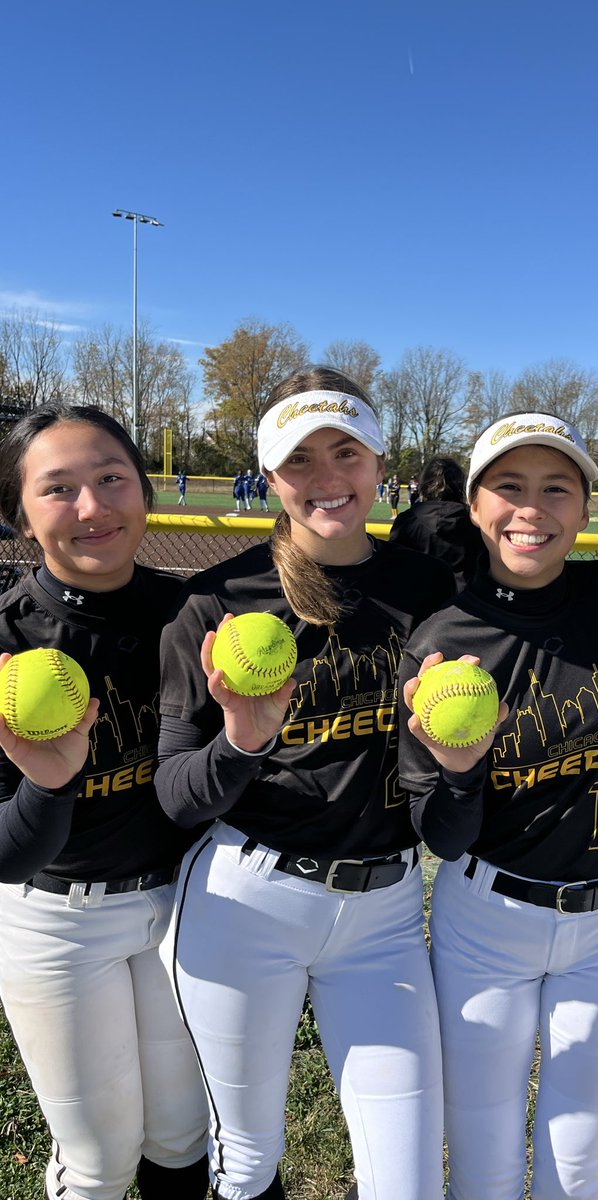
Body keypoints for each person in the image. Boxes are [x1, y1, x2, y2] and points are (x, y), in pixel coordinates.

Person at [156, 367, 455, 1200]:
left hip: (387, 910)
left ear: (379, 459)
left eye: (346, 451)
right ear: (271, 474)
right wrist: (242, 743)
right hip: (247, 903)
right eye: (300, 460)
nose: (327, 477)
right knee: (246, 1161)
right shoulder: (216, 599)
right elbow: (175, 793)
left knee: (406, 1178)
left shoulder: (428, 590)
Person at [398, 413, 598, 1200]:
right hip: (489, 922)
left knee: (578, 1155)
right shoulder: (441, 642)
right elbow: (442, 837)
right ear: (475, 504)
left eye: (556, 488)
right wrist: (458, 771)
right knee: (485, 1155)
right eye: (509, 486)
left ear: (586, 510)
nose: (532, 508)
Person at [0, 405, 209, 1200]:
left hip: (186, 906)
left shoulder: (191, 613)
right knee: (97, 1163)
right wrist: (50, 783)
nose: (93, 508)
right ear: (20, 514)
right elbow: (5, 855)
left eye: (111, 478)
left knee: (185, 1139)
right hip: (57, 921)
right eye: (58, 489)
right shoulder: (8, 639)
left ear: (144, 490)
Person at [389, 455, 484, 589]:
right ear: (460, 484)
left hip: (414, 598)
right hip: (464, 601)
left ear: (425, 482)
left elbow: (392, 565)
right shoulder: (476, 522)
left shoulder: (407, 520)